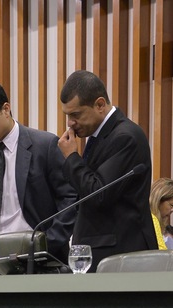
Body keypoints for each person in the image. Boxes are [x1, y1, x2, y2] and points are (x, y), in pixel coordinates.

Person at [0, 80, 77, 262]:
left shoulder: (45, 145)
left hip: (36, 258)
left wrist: (47, 244)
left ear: (6, 109)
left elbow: (70, 199)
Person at [58, 70, 156, 271]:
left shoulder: (125, 137)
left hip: (122, 257)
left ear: (100, 105)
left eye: (76, 114)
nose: (70, 123)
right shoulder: (100, 136)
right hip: (103, 254)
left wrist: (72, 158)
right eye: (67, 115)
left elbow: (98, 194)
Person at [149, 178, 173, 249]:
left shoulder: (168, 231)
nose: (172, 210)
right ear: (159, 200)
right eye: (171, 205)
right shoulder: (149, 223)